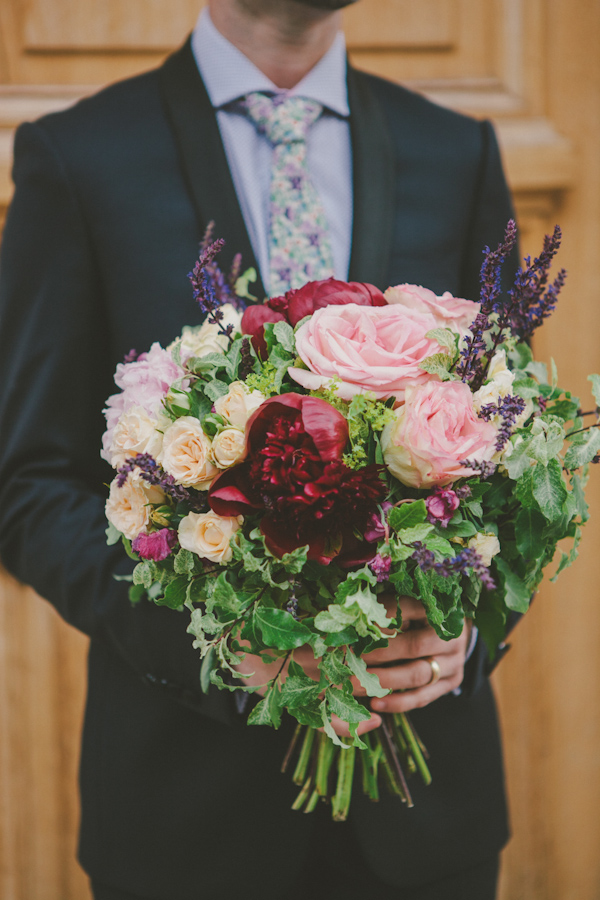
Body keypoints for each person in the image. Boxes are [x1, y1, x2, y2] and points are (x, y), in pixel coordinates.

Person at [0, 1, 519, 898]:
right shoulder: (78, 157)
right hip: (184, 822)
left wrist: (464, 638)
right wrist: (217, 645)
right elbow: (29, 482)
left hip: (427, 824)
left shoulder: (458, 150)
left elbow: (511, 456)